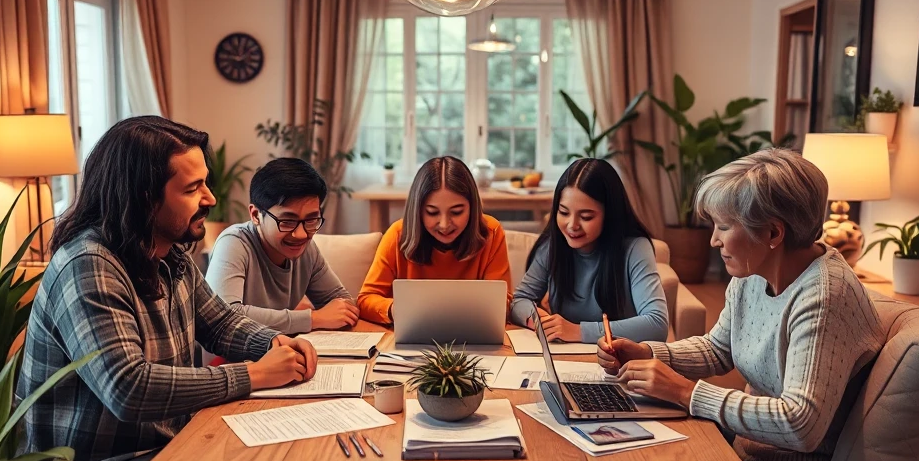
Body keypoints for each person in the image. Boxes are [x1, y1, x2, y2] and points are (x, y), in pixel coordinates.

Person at [16, 116, 316, 461]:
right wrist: (254, 375)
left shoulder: (169, 254)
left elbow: (221, 323)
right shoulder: (89, 264)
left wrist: (273, 344)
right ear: (144, 197)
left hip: (165, 447)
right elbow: (128, 388)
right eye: (193, 188)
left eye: (205, 183)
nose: (210, 198)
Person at [596, 148, 885, 461]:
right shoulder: (752, 274)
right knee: (620, 452)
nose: (713, 240)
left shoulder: (824, 296)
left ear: (773, 233)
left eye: (724, 226)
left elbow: (801, 424)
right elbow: (718, 349)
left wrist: (685, 393)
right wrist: (649, 353)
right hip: (752, 449)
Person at [509, 158, 668, 344]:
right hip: (565, 358)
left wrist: (579, 331)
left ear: (609, 215)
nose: (572, 225)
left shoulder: (635, 248)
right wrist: (540, 321)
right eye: (564, 212)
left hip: (619, 362)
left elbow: (657, 324)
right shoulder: (553, 245)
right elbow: (519, 301)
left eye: (586, 216)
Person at [205, 158, 358, 344]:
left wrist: (333, 312)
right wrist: (312, 318)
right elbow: (225, 316)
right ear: (255, 215)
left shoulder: (306, 250)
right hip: (230, 361)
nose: (301, 234)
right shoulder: (233, 243)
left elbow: (342, 304)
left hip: (282, 352)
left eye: (311, 220)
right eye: (287, 221)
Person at [357, 156, 512, 324]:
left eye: (457, 212)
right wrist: (395, 309)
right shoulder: (397, 235)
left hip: (475, 341)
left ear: (472, 208)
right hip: (410, 342)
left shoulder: (491, 232)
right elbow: (365, 299)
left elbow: (503, 302)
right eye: (432, 212)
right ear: (418, 210)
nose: (444, 225)